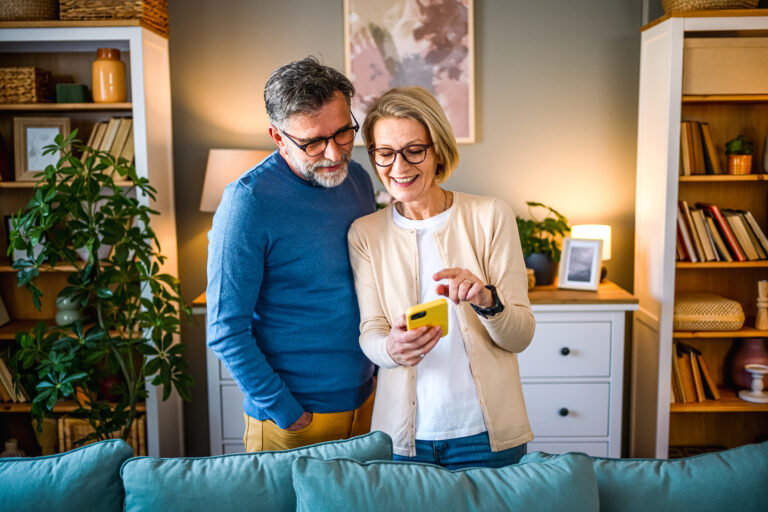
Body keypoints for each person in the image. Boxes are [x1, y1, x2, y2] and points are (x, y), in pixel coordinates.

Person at [347, 86, 535, 469]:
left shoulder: (490, 216)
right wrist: (391, 349)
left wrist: (487, 299)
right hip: (402, 440)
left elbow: (520, 336)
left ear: (438, 150)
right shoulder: (364, 233)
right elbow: (371, 330)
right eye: (385, 153)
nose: (399, 167)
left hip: (486, 436)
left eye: (414, 150)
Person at [206, 57, 376, 452]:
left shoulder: (360, 181)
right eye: (314, 142)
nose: (334, 154)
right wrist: (285, 410)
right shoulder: (246, 203)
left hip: (364, 402)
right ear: (278, 137)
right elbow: (224, 329)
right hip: (294, 419)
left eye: (343, 132)